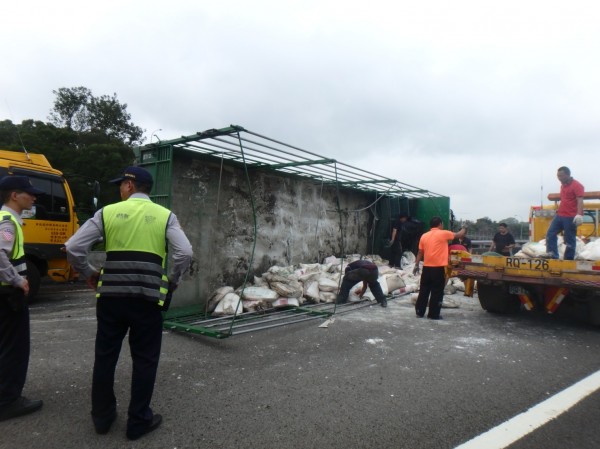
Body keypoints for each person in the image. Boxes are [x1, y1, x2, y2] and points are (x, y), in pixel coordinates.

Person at [65, 166, 193, 440]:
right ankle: (138, 422)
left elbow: (74, 247)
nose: (119, 189)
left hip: (111, 297)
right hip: (147, 299)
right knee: (145, 359)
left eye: (121, 184)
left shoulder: (107, 212)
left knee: (105, 356)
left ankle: (102, 418)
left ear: (130, 186)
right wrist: (173, 280)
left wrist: (88, 273)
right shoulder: (165, 215)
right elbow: (184, 252)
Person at [0, 175, 44, 422]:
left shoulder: (6, 219)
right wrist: (18, 280)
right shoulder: (7, 222)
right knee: (14, 349)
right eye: (29, 193)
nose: (34, 197)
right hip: (8, 296)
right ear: (14, 195)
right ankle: (8, 401)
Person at [413, 217, 466, 320]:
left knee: (424, 290)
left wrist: (416, 265)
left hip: (426, 268)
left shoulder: (424, 236)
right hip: (439, 268)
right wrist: (464, 227)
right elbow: (459, 235)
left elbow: (420, 252)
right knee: (437, 291)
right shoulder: (443, 233)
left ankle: (419, 312)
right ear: (440, 224)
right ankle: (433, 314)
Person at [545, 166, 585, 260]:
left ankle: (568, 259)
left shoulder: (577, 185)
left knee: (569, 239)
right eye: (558, 176)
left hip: (570, 217)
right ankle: (552, 255)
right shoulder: (563, 185)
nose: (559, 178)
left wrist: (579, 214)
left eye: (561, 176)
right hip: (560, 215)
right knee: (550, 234)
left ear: (567, 175)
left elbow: (580, 200)